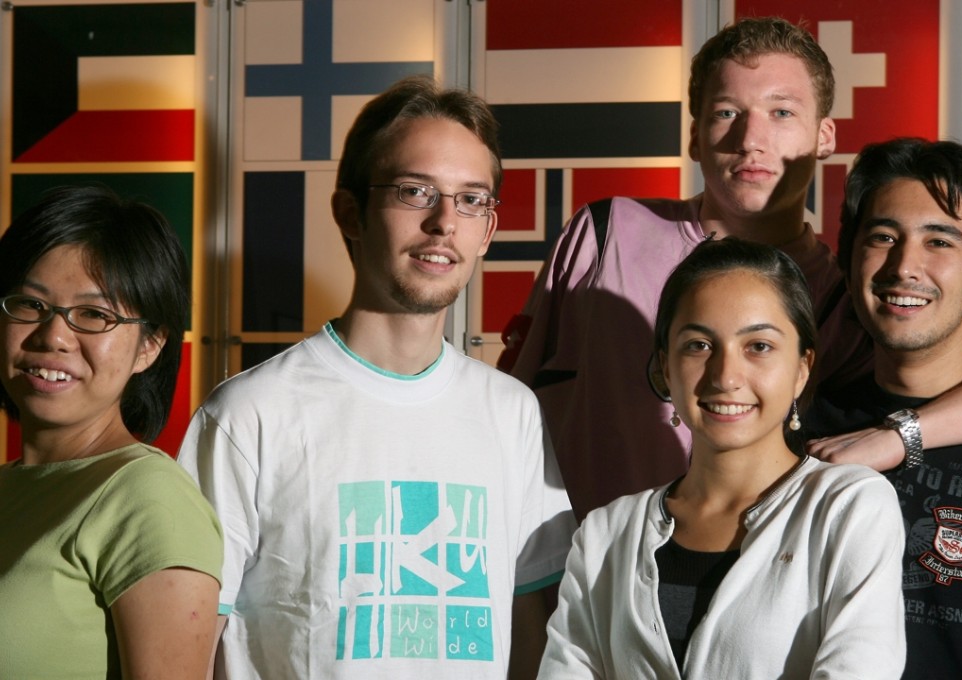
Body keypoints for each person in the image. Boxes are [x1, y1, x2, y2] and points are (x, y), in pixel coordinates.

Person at [498, 16, 962, 521]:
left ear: (824, 136)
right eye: (727, 112)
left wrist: (901, 436)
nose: (751, 139)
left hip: (741, 568)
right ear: (694, 136)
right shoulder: (606, 233)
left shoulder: (851, 296)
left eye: (781, 112)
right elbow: (508, 403)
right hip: (577, 563)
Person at [177, 75, 576, 679]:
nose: (445, 221)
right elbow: (192, 641)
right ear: (350, 213)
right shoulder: (248, 414)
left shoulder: (511, 412)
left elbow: (529, 630)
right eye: (416, 192)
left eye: (471, 199)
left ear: (488, 232)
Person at [538, 237, 905, 679]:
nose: (726, 376)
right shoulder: (606, 534)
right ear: (665, 368)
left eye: (759, 346)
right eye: (698, 345)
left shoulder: (848, 508)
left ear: (802, 368)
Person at [805, 138, 962, 679]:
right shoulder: (801, 431)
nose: (904, 266)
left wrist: (900, 435)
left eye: (939, 241)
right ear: (849, 266)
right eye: (883, 237)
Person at [0, 185, 223, 678]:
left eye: (94, 315)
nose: (53, 336)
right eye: (30, 304)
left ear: (150, 346)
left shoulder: (146, 497)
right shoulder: (12, 485)